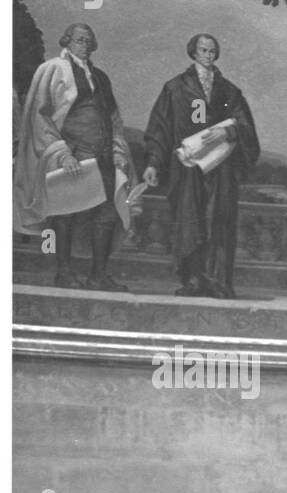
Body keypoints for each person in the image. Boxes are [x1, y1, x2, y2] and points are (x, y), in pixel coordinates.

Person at [14, 23, 134, 292]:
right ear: (67, 41)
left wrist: (117, 149)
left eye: (88, 40)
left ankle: (98, 275)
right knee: (65, 214)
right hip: (71, 153)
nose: (84, 44)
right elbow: (39, 117)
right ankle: (64, 273)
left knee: (106, 213)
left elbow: (113, 117)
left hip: (102, 155)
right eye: (79, 39)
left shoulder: (100, 77)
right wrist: (61, 152)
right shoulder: (52, 69)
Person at [143, 33, 260, 298]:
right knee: (190, 222)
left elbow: (245, 124)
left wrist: (228, 132)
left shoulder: (229, 90)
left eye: (212, 51)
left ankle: (218, 282)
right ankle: (193, 279)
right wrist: (153, 162)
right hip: (187, 168)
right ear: (193, 53)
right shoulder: (175, 87)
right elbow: (160, 128)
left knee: (219, 221)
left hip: (220, 169)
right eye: (203, 50)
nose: (208, 55)